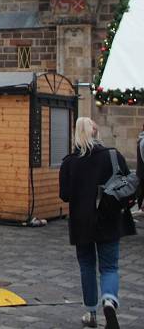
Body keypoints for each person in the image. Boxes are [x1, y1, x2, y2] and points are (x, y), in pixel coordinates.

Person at [59, 117, 134, 329]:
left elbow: (64, 195)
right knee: (109, 267)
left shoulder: (69, 162)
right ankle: (109, 300)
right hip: (109, 219)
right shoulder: (113, 155)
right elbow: (128, 182)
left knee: (87, 266)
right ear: (95, 132)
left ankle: (91, 313)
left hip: (82, 221)